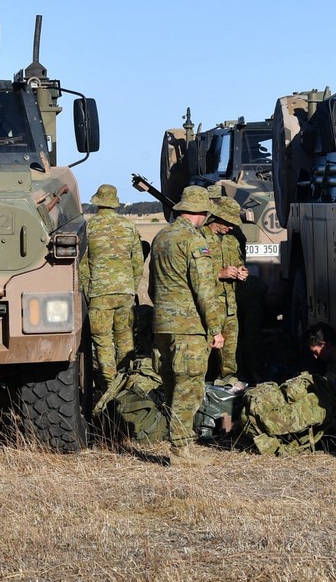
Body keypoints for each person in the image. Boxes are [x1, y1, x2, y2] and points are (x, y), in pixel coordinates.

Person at [149, 185, 225, 465]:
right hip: (189, 327)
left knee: (171, 385)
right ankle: (181, 451)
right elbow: (204, 289)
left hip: (163, 325)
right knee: (189, 387)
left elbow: (152, 286)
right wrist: (216, 328)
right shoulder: (194, 240)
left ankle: (179, 443)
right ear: (202, 213)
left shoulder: (161, 236)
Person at [78, 184, 144, 397]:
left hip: (99, 294)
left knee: (103, 341)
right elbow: (138, 262)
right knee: (125, 340)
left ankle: (108, 387)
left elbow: (83, 265)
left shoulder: (89, 228)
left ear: (97, 202)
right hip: (125, 292)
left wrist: (88, 293)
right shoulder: (128, 226)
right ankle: (127, 387)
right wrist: (131, 287)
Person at [205, 196, 248, 384]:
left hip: (230, 306)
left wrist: (241, 272)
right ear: (217, 217)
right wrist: (219, 274)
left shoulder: (232, 241)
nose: (231, 227)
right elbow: (192, 274)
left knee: (229, 356)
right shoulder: (200, 238)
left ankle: (226, 390)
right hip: (208, 306)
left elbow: (240, 264)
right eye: (228, 222)